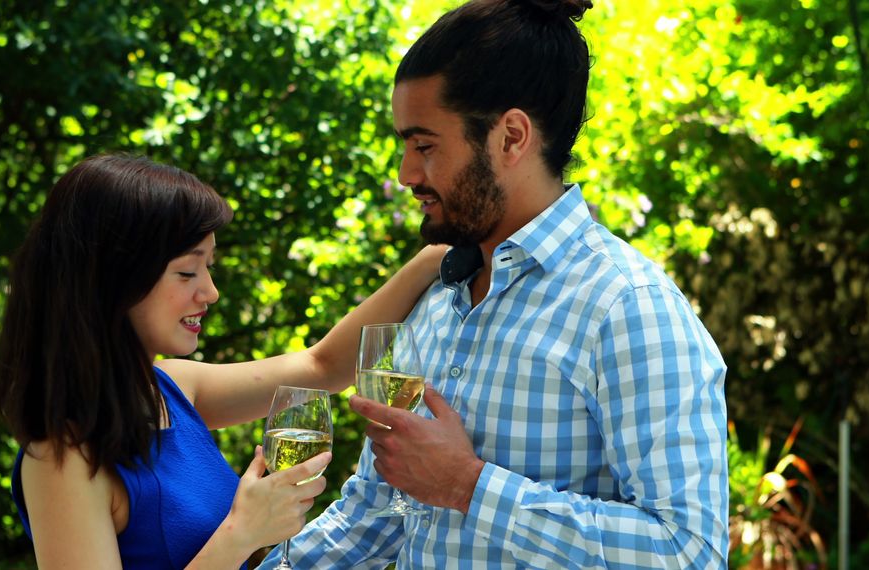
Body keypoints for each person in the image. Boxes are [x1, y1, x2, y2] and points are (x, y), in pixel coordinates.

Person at [259, 0, 729, 568]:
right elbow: (374, 514)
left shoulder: (628, 308)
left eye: (424, 145)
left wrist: (469, 487)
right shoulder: (437, 300)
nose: (407, 174)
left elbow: (691, 552)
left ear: (511, 137)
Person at [0, 153, 446, 569]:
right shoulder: (62, 459)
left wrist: (432, 262)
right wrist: (240, 534)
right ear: (113, 278)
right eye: (187, 271)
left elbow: (322, 368)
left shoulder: (170, 387)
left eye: (208, 268)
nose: (210, 292)